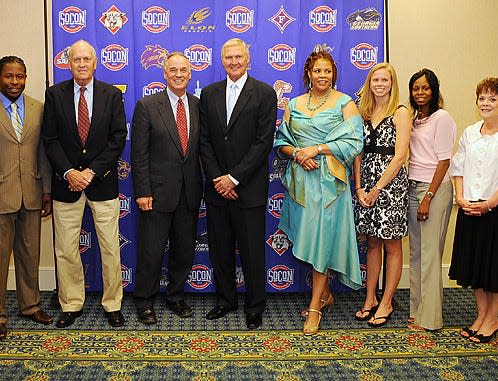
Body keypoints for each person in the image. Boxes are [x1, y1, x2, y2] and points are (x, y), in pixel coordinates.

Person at [274, 50, 364, 335]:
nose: (322, 75)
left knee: (321, 242)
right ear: (309, 74)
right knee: (309, 241)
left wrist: (320, 148)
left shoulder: (345, 103)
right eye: (317, 71)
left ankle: (314, 309)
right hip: (301, 184)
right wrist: (299, 153)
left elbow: (354, 141)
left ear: (333, 73)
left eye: (327, 71)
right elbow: (281, 142)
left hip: (330, 185)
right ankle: (324, 295)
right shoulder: (294, 103)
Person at [42, 40, 127, 328]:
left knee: (110, 248)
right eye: (76, 59)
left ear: (95, 62)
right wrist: (69, 172)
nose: (81, 64)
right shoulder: (54, 95)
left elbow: (117, 139)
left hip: (101, 183)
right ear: (68, 63)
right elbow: (50, 140)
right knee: (65, 249)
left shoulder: (111, 95)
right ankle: (71, 303)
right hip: (65, 185)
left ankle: (113, 303)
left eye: (86, 59)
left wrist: (90, 172)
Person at [0, 56, 54, 340]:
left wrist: (46, 190)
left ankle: (30, 306)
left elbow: (42, 153)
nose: (14, 82)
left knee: (29, 255)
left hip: (31, 193)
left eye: (19, 76)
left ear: (25, 77)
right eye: (8, 76)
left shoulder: (38, 109)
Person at [199, 38, 277, 329]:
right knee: (220, 249)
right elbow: (204, 141)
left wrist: (234, 178)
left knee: (252, 252)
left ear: (248, 59)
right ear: (222, 61)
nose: (233, 62)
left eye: (238, 57)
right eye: (228, 57)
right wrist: (219, 178)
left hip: (249, 189)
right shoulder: (209, 93)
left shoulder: (264, 93)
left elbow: (263, 143)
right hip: (217, 188)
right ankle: (225, 301)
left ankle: (255, 306)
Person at [448, 77, 498, 343]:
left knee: (497, 267)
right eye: (482, 98)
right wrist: (461, 198)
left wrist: (490, 204)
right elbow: (458, 168)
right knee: (476, 267)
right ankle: (481, 316)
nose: (485, 103)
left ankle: (493, 319)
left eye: (492, 99)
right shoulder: (470, 132)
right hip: (470, 208)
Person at [131, 52, 202, 325]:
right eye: (173, 70)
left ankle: (175, 297)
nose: (178, 74)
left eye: (183, 69)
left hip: (190, 192)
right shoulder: (147, 106)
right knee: (151, 251)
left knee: (184, 250)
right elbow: (138, 155)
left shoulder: (197, 106)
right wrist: (142, 191)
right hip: (156, 193)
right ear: (164, 73)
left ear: (190, 73)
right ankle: (144, 300)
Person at [353, 63, 411, 327]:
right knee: (372, 243)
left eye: (384, 80)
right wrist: (360, 187)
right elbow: (357, 152)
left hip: (391, 187)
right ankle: (370, 298)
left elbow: (400, 156)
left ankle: (387, 301)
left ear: (392, 83)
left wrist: (377, 189)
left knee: (392, 244)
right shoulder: (363, 113)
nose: (379, 84)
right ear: (369, 82)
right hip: (365, 184)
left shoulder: (400, 113)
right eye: (375, 79)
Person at [406, 69, 457, 332]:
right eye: (416, 88)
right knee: (416, 253)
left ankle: (431, 318)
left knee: (430, 254)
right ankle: (417, 309)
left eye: (425, 88)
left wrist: (428, 196)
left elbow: (444, 160)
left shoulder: (442, 118)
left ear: (434, 90)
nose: (420, 92)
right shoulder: (415, 120)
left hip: (433, 190)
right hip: (412, 186)